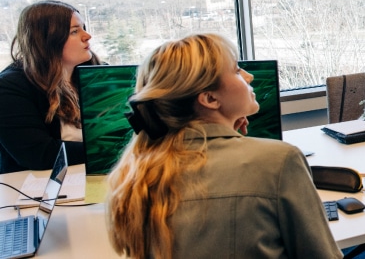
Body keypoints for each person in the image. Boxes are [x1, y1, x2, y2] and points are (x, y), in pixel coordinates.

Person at [106, 33, 341, 259]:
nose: (248, 76)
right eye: (237, 71)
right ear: (210, 99)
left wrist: (227, 130)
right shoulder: (278, 160)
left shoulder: (138, 173)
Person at [0, 0, 101, 174]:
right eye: (75, 31)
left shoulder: (97, 74)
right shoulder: (10, 87)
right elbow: (40, 154)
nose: (87, 36)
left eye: (83, 27)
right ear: (47, 40)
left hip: (94, 172)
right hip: (37, 186)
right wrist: (110, 150)